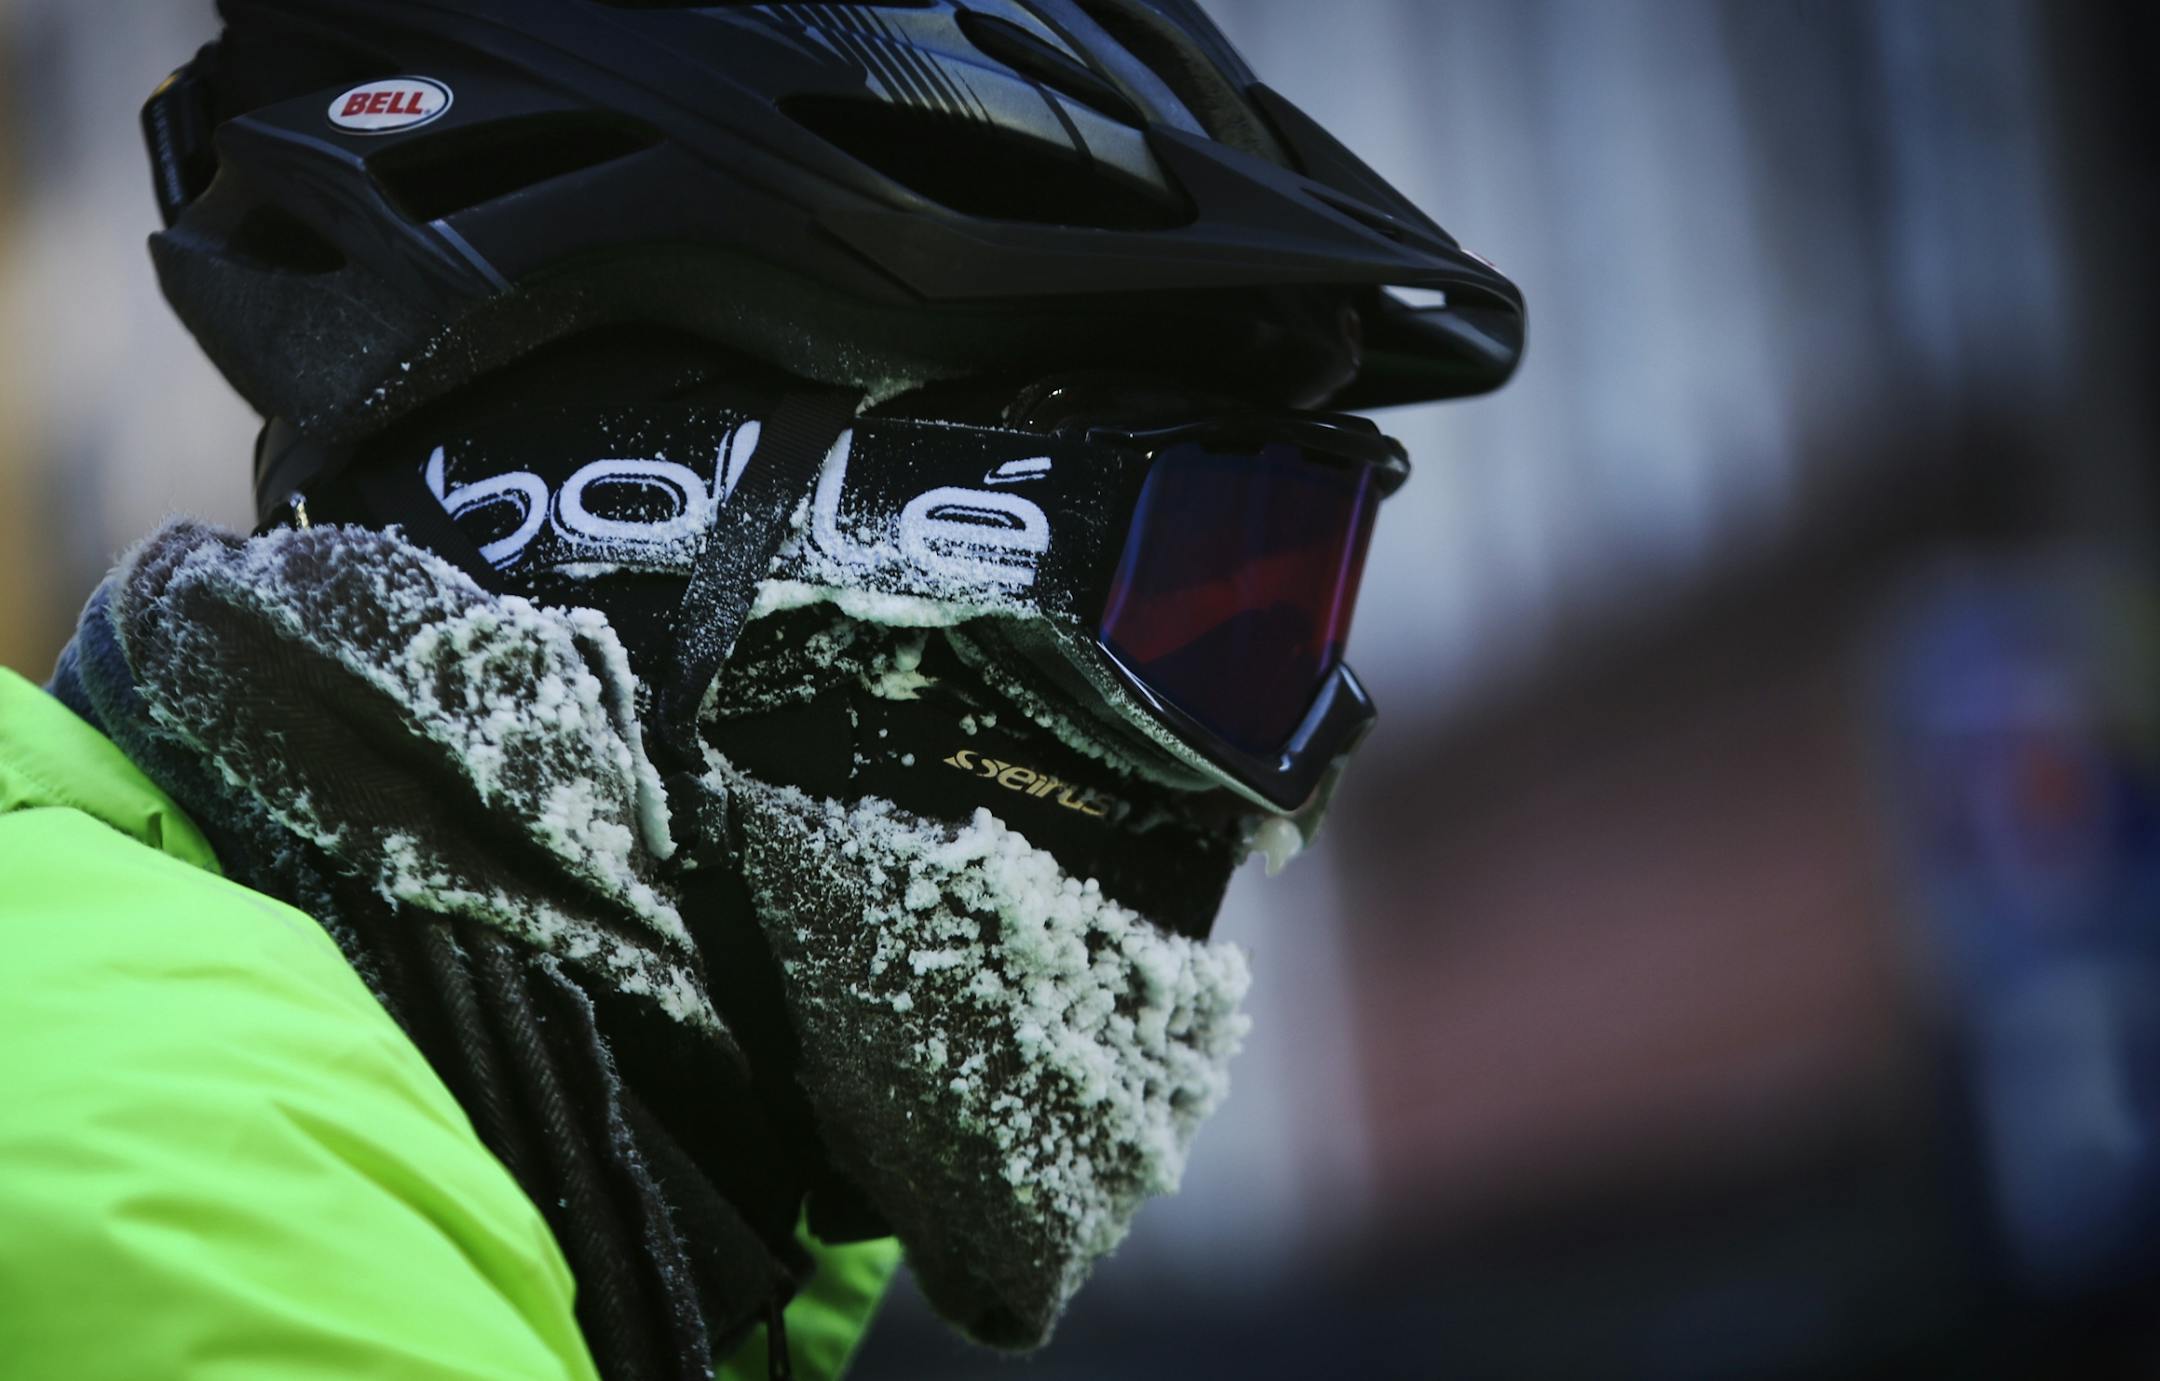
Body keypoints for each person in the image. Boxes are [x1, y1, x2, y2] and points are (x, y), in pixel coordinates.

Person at [0, 2, 1523, 1378]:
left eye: (1283, 606)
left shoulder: (620, 1222)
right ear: (636, 519)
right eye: (1192, 603)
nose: (1284, 785)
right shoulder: (201, 1167)